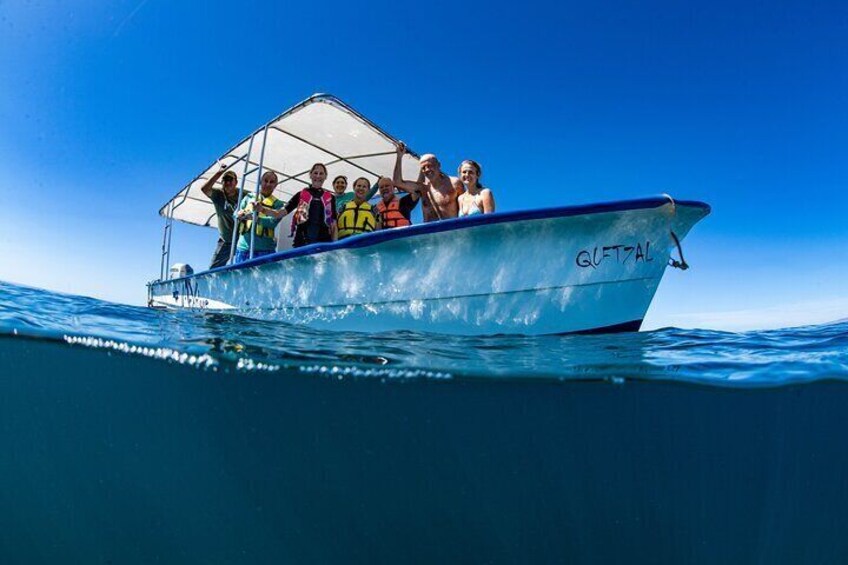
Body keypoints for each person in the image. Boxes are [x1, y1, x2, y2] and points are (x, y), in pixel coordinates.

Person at [262, 163, 337, 248]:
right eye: (315, 173)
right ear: (310, 175)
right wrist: (262, 209)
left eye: (321, 173)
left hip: (323, 244)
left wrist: (335, 247)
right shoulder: (300, 195)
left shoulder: (331, 198)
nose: (318, 176)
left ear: (325, 176)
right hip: (302, 243)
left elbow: (333, 225)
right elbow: (279, 213)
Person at [392, 142, 460, 222]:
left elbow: (465, 211)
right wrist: (399, 156)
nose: (427, 170)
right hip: (430, 233)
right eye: (423, 168)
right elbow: (397, 182)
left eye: (429, 166)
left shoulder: (454, 183)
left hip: (452, 232)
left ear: (438, 165)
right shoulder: (423, 189)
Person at [233, 171, 285, 263]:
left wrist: (256, 219)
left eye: (272, 182)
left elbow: (273, 222)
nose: (268, 184)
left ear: (276, 185)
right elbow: (235, 214)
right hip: (243, 249)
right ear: (261, 181)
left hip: (265, 251)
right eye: (265, 180)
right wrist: (239, 215)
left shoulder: (279, 204)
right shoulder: (248, 197)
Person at [199, 164, 241, 268]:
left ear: (236, 182)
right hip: (225, 241)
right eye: (224, 180)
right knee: (212, 270)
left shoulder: (243, 194)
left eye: (230, 179)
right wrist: (219, 172)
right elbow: (204, 189)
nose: (227, 182)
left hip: (242, 240)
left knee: (246, 267)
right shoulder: (218, 194)